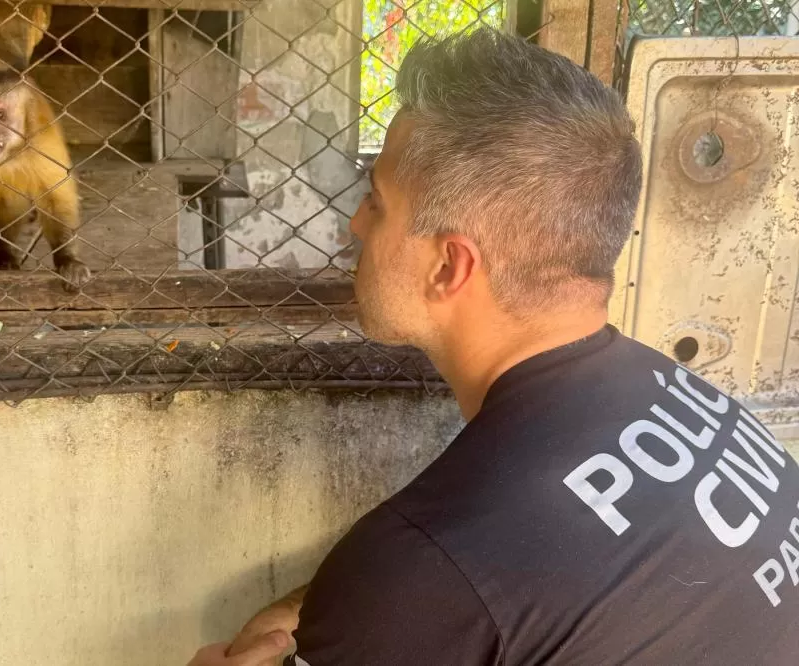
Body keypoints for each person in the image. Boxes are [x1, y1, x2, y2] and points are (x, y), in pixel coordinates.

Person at [188, 26, 799, 666]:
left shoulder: (425, 566)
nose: (356, 223)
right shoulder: (709, 410)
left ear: (449, 267)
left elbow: (446, 590)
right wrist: (330, 605)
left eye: (377, 202)